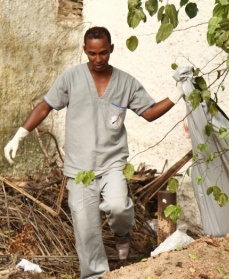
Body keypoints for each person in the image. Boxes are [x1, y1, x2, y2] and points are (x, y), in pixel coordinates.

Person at [3, 27, 183, 278]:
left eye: (103, 53)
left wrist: (179, 93)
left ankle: (122, 233)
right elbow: (45, 106)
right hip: (80, 168)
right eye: (92, 54)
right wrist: (19, 135)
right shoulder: (71, 78)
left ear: (111, 49)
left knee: (119, 207)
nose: (98, 60)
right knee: (86, 229)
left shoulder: (126, 82)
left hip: (112, 163)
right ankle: (96, 275)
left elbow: (150, 113)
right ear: (85, 51)